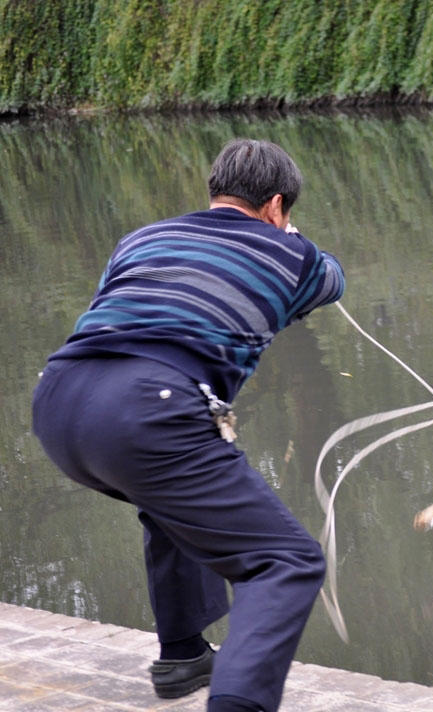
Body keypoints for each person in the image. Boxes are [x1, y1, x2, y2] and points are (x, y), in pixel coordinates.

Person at [31, 138, 345, 712]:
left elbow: (117, 309)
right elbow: (333, 282)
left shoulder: (142, 238)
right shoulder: (291, 254)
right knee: (285, 562)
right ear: (277, 205)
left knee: (171, 501)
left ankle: (182, 656)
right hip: (149, 409)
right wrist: (292, 239)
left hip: (57, 398)